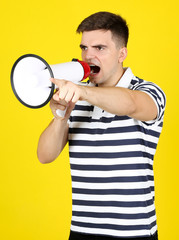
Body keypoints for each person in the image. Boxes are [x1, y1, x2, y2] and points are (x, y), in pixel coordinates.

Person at [37, 11, 166, 240]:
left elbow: (130, 103)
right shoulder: (78, 97)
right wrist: (61, 116)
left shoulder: (147, 91)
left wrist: (82, 91)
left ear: (121, 53)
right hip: (82, 231)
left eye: (100, 48)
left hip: (134, 232)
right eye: (84, 48)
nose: (88, 56)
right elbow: (44, 155)